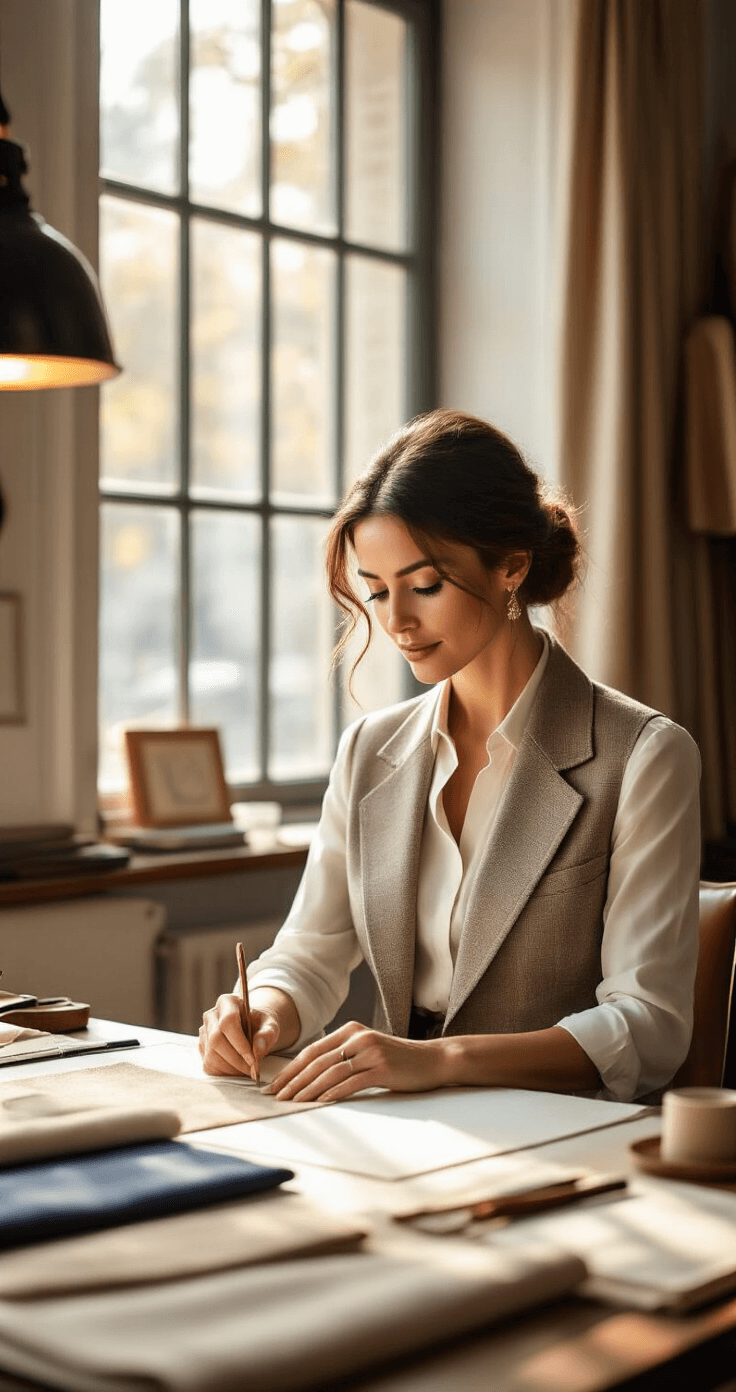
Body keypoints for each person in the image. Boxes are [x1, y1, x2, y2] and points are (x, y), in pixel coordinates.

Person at [199, 409, 701, 1104]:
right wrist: (265, 1008)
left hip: (559, 1138)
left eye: (425, 585)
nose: (396, 620)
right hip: (397, 1127)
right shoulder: (368, 751)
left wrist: (440, 1061)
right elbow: (310, 954)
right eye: (375, 590)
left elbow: (649, 1028)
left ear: (512, 568)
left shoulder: (645, 755)